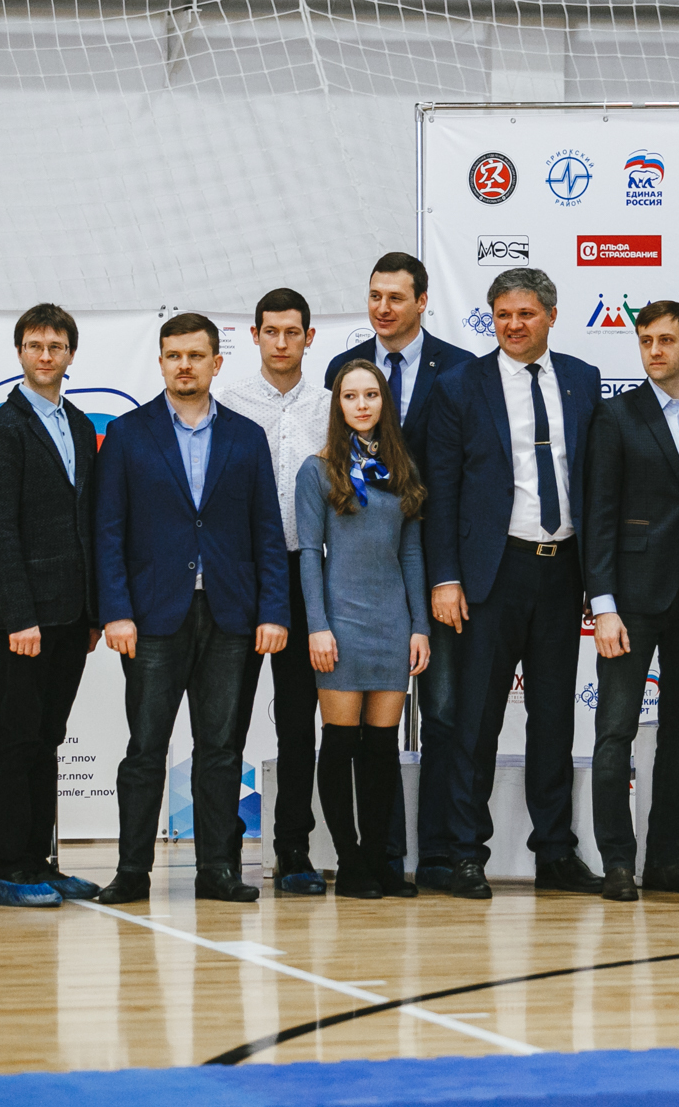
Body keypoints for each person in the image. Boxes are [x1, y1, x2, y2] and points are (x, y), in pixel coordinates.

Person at [93, 312, 290, 905]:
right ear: (160, 362)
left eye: (196, 355)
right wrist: (116, 611)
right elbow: (108, 531)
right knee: (145, 750)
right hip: (152, 617)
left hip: (231, 616)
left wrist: (273, 611)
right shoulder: (127, 434)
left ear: (216, 363)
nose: (185, 365)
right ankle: (132, 871)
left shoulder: (246, 437)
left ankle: (218, 870)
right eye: (174, 355)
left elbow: (267, 533)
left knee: (221, 750)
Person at [426, 267, 602, 900]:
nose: (513, 325)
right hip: (489, 576)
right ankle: (465, 854)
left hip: (562, 570)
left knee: (554, 719)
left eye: (525, 313)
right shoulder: (459, 385)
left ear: (550, 315)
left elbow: (592, 481)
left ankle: (555, 852)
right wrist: (445, 578)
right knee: (476, 721)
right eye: (502, 314)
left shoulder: (583, 379)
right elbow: (441, 489)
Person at [325, 253, 473, 889]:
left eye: (395, 297)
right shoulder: (344, 367)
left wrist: (444, 577)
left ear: (422, 301)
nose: (382, 308)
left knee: (441, 714)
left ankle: (436, 854)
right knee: (359, 737)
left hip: (436, 569)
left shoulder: (460, 369)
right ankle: (376, 858)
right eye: (374, 296)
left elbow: (463, 474)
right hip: (359, 580)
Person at [583, 300, 679, 901]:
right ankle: (618, 863)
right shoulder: (615, 415)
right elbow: (599, 514)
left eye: (666, 340)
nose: (654, 350)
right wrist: (603, 604)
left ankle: (666, 860)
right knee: (615, 730)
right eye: (646, 340)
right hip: (629, 600)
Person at [0, 303, 103, 909]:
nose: (45, 355)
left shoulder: (78, 423)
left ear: (70, 354)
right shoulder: (4, 428)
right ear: (20, 353)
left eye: (55, 346)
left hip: (72, 614)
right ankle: (10, 870)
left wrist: (94, 613)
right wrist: (17, 615)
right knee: (19, 736)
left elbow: (88, 521)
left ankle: (42, 862)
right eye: (34, 345)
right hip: (29, 617)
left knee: (49, 736)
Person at [296, 360, 431, 899]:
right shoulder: (317, 470)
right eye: (350, 396)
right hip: (340, 623)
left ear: (383, 402)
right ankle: (349, 861)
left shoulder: (403, 468)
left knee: (380, 749)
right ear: (337, 405)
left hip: (391, 623)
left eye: (370, 395)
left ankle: (379, 859)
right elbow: (310, 553)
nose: (361, 404)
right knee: (339, 743)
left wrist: (419, 626)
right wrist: (317, 626)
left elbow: (412, 553)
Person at [220, 288, 331, 895]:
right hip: (240, 573)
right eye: (271, 331)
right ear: (255, 335)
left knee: (297, 719)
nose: (281, 342)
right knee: (227, 716)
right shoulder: (227, 403)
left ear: (309, 337)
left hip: (307, 572)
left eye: (293, 332)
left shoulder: (332, 406)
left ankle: (293, 848)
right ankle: (222, 845)